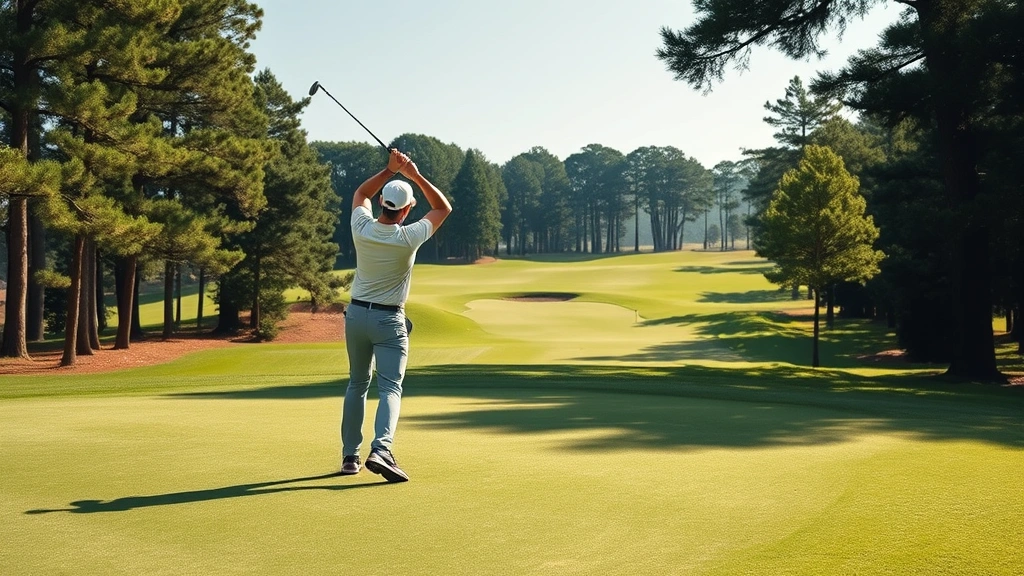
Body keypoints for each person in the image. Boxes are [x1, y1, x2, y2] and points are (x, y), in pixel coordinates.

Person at [339, 149, 452, 482]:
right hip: (389, 321)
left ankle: (350, 457)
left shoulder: (361, 226)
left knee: (357, 384)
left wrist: (390, 171)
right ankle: (382, 450)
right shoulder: (408, 237)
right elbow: (443, 208)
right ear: (406, 210)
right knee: (389, 387)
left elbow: (361, 193)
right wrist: (414, 175)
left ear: (382, 203)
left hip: (356, 316)